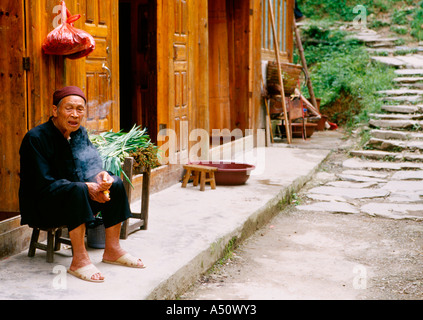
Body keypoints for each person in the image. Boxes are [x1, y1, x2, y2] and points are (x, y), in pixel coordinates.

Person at [19, 86, 145, 283]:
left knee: (116, 183)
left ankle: (112, 250)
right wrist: (86, 187)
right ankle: (79, 260)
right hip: (43, 206)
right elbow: (41, 184)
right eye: (69, 108)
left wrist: (101, 178)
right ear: (55, 111)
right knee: (77, 189)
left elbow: (93, 165)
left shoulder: (79, 134)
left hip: (75, 200)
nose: (75, 115)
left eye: (80, 109)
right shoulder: (36, 138)